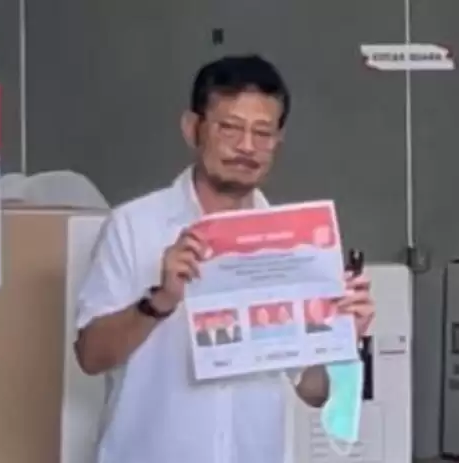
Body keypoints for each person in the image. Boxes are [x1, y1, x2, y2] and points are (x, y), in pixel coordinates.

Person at [74, 54, 375, 463]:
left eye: (263, 132)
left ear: (278, 140)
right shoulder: (133, 227)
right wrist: (159, 301)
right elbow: (90, 356)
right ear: (192, 128)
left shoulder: (294, 246)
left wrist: (343, 337)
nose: (247, 146)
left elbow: (313, 390)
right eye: (230, 127)